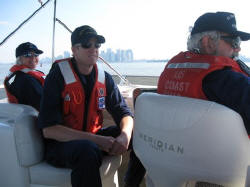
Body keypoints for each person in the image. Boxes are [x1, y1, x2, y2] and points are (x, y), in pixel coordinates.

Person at [125, 11, 250, 187]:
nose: (238, 48)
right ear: (207, 42)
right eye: (233, 41)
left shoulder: (169, 71)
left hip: (168, 169)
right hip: (217, 174)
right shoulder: (226, 80)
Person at [38, 25, 134, 187]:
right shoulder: (57, 77)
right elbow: (49, 130)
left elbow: (123, 113)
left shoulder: (104, 79)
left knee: (139, 134)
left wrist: (125, 135)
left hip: (93, 137)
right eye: (86, 45)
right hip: (60, 145)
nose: (93, 49)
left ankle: (132, 183)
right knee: (87, 150)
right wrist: (97, 140)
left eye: (96, 45)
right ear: (74, 50)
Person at [4, 42, 45, 111]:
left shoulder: (23, 76)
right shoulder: (27, 80)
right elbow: (44, 106)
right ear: (19, 59)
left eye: (36, 54)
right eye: (28, 55)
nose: (33, 58)